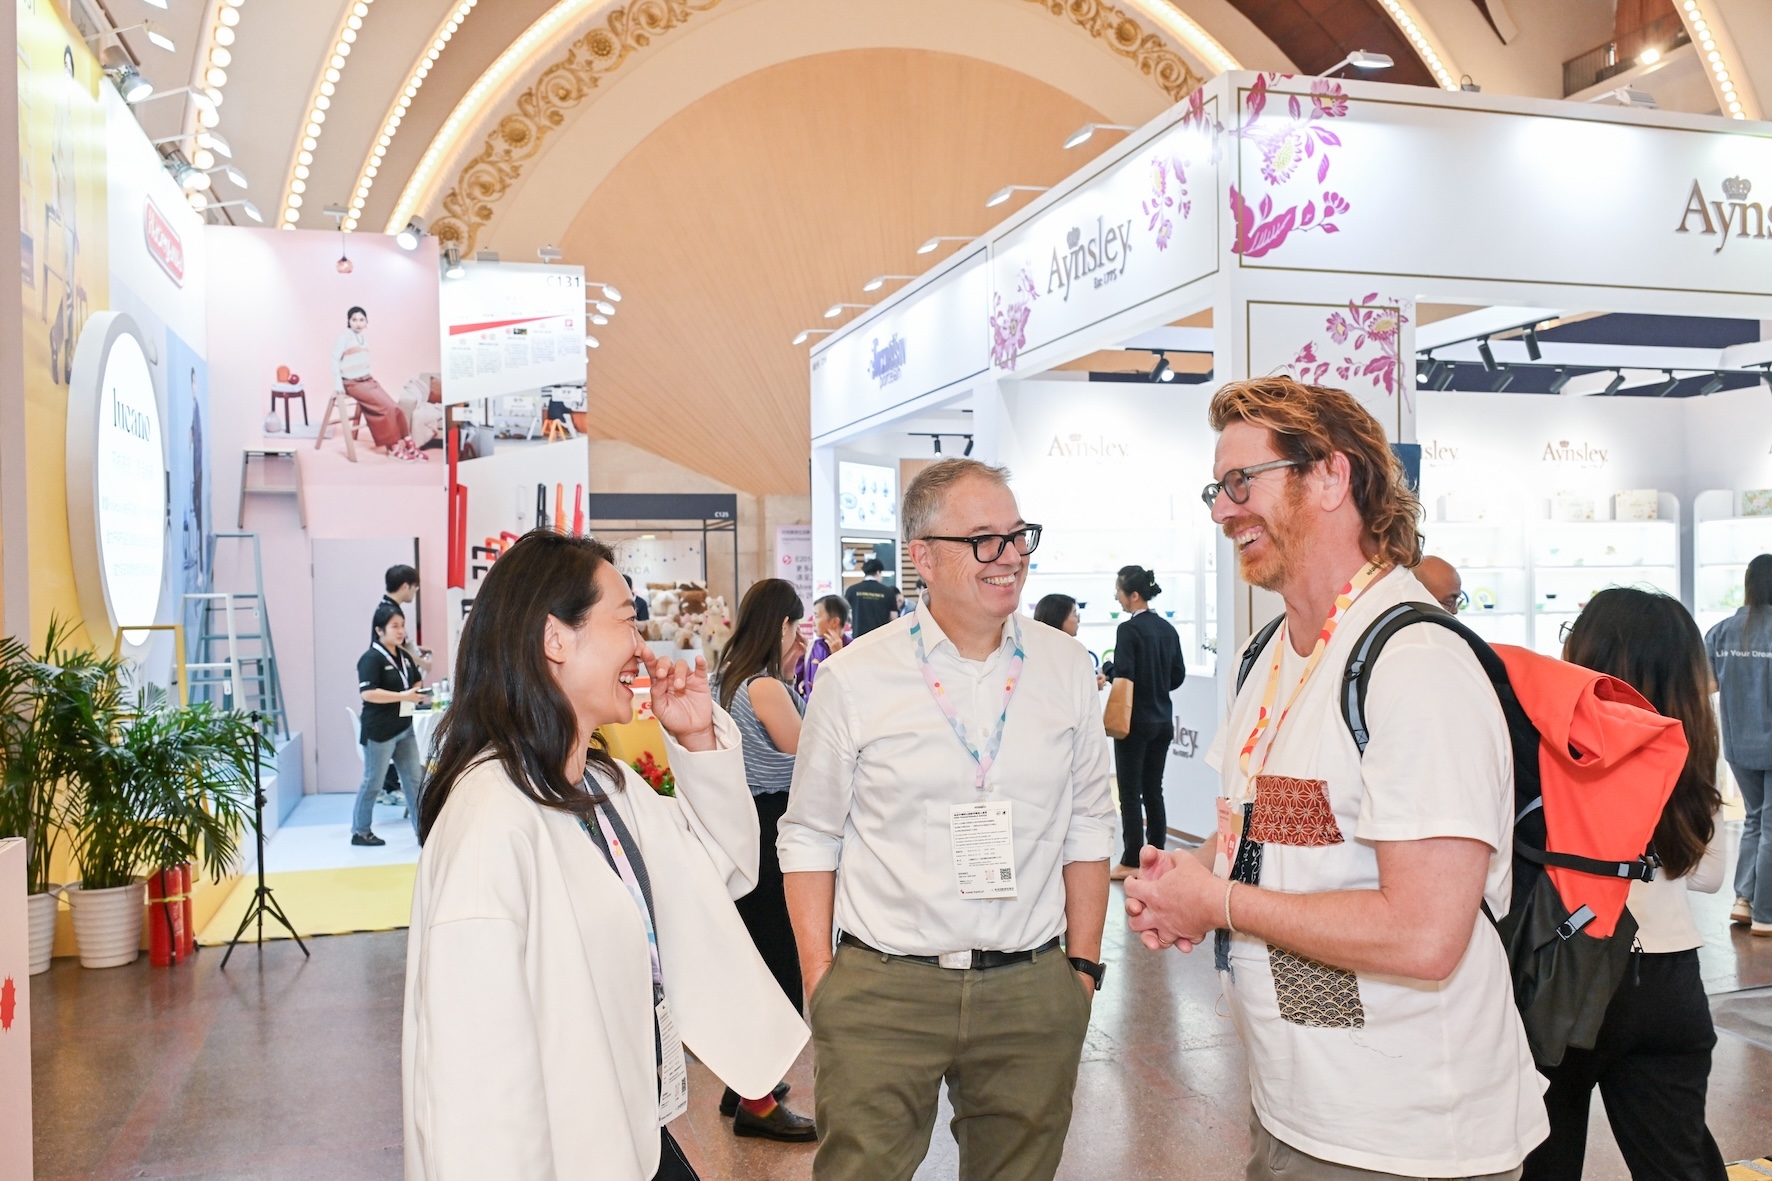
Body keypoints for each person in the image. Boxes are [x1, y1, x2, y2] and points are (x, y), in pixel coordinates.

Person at [1123, 376, 1546, 1180]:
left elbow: (1424, 933)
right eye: (1216, 489)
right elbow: (1269, 829)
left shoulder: (1416, 664)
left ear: (1329, 475)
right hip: (1295, 1108)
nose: (1222, 511)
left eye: (1242, 482)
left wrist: (1219, 903)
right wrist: (1187, 877)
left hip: (1410, 1139)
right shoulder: (1267, 654)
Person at [404, 531, 807, 1180]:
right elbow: (475, 1093)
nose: (643, 648)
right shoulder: (490, 823)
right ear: (555, 638)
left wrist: (697, 737)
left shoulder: (596, 783)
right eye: (626, 620)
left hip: (628, 1129)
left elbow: (710, 873)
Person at [780, 457, 1115, 1181]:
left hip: (1029, 986)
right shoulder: (855, 677)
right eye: (984, 539)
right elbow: (809, 832)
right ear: (924, 558)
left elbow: (1091, 820)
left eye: (1019, 535)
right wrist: (821, 980)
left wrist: (1081, 971)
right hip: (885, 986)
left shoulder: (1065, 666)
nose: (1011, 556)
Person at [1523, 587, 1726, 1180]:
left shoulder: (1546, 737)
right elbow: (1709, 875)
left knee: (1544, 1161)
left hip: (1564, 971)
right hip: (1669, 979)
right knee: (1678, 1163)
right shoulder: (1690, 742)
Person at [709, 578, 818, 1141]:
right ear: (782, 625)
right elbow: (813, 754)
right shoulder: (766, 686)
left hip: (744, 829)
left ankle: (746, 1085)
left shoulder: (727, 678)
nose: (801, 638)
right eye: (797, 626)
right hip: (772, 827)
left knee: (756, 959)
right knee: (777, 963)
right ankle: (758, 1104)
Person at [1101, 566, 1184, 882]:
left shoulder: (1128, 630)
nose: (1117, 598)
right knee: (1153, 790)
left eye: (1118, 592)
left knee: (1130, 792)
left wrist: (1108, 668)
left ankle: (1132, 859)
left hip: (1134, 722)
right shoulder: (1167, 628)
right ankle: (1157, 855)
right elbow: (1177, 676)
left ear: (1133, 595)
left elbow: (1125, 673)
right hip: (1163, 720)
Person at [1707, 552, 1772, 937]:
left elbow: (1706, 684)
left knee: (1755, 819)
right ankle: (1766, 914)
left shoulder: (1722, 631)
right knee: (1769, 826)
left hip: (1739, 743)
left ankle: (1744, 900)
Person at [353, 602, 427, 846]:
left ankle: (423, 831)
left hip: (404, 728)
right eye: (394, 626)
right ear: (379, 630)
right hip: (379, 732)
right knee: (373, 782)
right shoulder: (370, 659)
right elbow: (368, 694)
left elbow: (416, 680)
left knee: (414, 781)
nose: (400, 630)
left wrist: (415, 691)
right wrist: (403, 696)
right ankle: (360, 831)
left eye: (402, 625)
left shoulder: (403, 656)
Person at [332, 305, 422, 460]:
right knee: (384, 409)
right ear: (348, 321)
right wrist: (338, 385)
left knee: (395, 407)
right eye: (354, 320)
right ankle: (393, 447)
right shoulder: (344, 337)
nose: (358, 323)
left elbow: (362, 360)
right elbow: (334, 360)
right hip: (352, 382)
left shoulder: (362, 338)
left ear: (366, 322)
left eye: (361, 320)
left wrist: (367, 375)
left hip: (367, 379)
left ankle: (408, 442)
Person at [798, 594, 848, 695]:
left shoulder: (853, 648)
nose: (813, 623)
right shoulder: (810, 647)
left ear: (834, 622)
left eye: (816, 616)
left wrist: (838, 656)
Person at [843, 557, 901, 636]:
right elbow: (893, 618)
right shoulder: (888, 592)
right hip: (881, 637)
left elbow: (845, 614)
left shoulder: (851, 590)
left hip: (859, 637)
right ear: (878, 572)